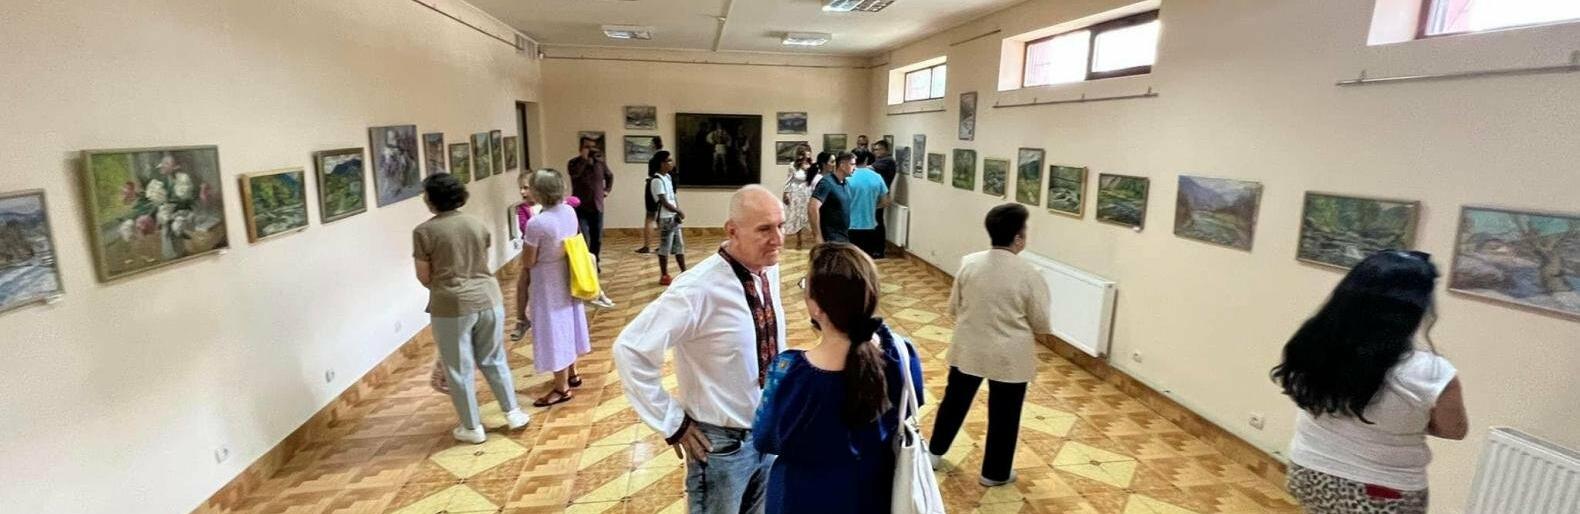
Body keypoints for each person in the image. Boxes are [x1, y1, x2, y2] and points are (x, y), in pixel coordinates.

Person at [613, 186, 788, 514]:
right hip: (721, 448)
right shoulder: (696, 288)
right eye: (764, 229)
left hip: (767, 433)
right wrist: (672, 421)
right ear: (732, 231)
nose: (778, 239)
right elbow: (630, 349)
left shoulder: (767, 268)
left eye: (781, 225)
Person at [1273, 251, 1468, 514]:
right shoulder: (1432, 372)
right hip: (1382, 491)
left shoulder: (1313, 344)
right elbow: (1454, 429)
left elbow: (1307, 394)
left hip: (1307, 471)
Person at [752, 242, 925, 514]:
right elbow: (912, 404)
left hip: (802, 498)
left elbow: (765, 439)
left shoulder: (789, 372)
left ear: (817, 307)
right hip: (872, 494)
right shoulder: (901, 355)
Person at [928, 203, 1052, 486]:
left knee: (954, 402)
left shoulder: (969, 263)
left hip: (968, 347)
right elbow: (1041, 322)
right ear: (1018, 238)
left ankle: (934, 453)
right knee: (1005, 414)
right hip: (1010, 355)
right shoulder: (1031, 273)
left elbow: (954, 307)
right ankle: (994, 473)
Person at [411, 174, 530, 444]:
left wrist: (447, 285)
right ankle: (513, 413)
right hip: (489, 298)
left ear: (432, 199)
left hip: (451, 304)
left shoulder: (424, 232)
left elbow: (423, 275)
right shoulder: (476, 224)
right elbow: (481, 262)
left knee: (458, 368)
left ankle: (472, 427)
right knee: (494, 358)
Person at [520, 169, 593, 407]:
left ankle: (561, 388)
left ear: (538, 192)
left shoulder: (537, 223)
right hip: (566, 273)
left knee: (553, 328)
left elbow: (529, 261)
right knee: (567, 322)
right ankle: (572, 373)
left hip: (546, 280)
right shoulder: (569, 211)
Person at [510, 172, 612, 341]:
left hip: (552, 258)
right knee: (523, 278)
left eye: (527, 188)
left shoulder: (560, 211)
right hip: (540, 250)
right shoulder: (525, 210)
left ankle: (596, 291)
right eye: (521, 188)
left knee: (590, 259)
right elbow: (525, 229)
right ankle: (521, 318)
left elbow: (575, 201)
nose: (523, 192)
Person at [568, 136, 614, 266]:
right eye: (587, 147)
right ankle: (585, 264)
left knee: (597, 239)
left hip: (597, 206)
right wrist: (584, 160)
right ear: (580, 148)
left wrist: (607, 190)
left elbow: (610, 176)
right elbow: (575, 174)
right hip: (580, 207)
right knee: (583, 237)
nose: (590, 150)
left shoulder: (600, 163)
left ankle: (595, 262)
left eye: (593, 147)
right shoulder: (573, 163)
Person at [650, 151, 688, 285]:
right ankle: (664, 274)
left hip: (673, 216)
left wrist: (677, 212)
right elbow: (664, 201)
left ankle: (684, 272)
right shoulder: (656, 180)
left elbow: (673, 197)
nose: (671, 163)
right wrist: (678, 211)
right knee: (665, 246)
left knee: (679, 245)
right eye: (669, 161)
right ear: (662, 163)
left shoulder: (667, 177)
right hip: (665, 217)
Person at [845, 151, 891, 258]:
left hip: (850, 225)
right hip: (870, 225)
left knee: (851, 259)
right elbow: (886, 201)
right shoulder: (877, 177)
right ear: (866, 160)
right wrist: (871, 206)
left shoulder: (846, 177)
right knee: (866, 259)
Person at [808, 152, 856, 245]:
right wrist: (818, 237)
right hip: (830, 238)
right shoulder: (826, 183)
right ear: (842, 165)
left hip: (843, 236)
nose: (855, 168)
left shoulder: (845, 183)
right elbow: (812, 208)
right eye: (852, 164)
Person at [781, 148, 814, 249]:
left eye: (809, 153)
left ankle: (814, 237)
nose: (808, 155)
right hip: (796, 192)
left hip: (808, 191)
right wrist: (786, 193)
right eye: (806, 153)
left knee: (809, 214)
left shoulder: (812, 165)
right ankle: (799, 239)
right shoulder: (793, 166)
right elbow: (789, 180)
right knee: (797, 215)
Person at [870, 141, 898, 258]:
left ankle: (879, 250)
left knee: (877, 222)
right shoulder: (879, 160)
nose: (876, 152)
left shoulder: (888, 161)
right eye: (875, 149)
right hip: (877, 195)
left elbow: (869, 168)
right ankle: (875, 248)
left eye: (879, 149)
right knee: (875, 221)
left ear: (886, 150)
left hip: (880, 196)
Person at [636, 156, 661, 255]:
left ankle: (647, 246)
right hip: (657, 184)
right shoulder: (662, 158)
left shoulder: (654, 159)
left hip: (651, 184)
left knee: (650, 217)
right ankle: (663, 245)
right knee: (658, 217)